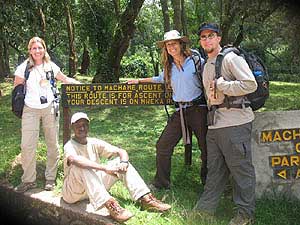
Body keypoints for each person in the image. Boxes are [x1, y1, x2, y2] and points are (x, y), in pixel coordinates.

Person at [192, 22, 257, 225]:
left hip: (235, 123)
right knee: (215, 170)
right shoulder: (206, 63)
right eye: (203, 37)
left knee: (241, 170)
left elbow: (250, 84)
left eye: (211, 35)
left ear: (219, 38)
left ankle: (245, 214)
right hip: (215, 125)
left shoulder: (230, 58)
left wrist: (223, 84)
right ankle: (205, 210)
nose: (207, 39)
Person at [128, 30, 208, 189]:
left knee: (206, 147)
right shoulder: (169, 66)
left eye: (174, 43)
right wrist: (139, 80)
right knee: (163, 145)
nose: (171, 47)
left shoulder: (197, 61)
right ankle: (161, 182)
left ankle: (208, 183)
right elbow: (160, 79)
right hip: (180, 111)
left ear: (180, 44)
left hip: (198, 109)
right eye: (168, 45)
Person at [62, 112, 171, 223]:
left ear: (88, 126)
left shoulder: (93, 142)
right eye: (78, 125)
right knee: (82, 166)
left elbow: (120, 151)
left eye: (84, 124)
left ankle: (146, 199)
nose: (82, 128)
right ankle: (111, 206)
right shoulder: (69, 146)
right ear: (72, 128)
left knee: (120, 161)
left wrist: (123, 162)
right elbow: (75, 160)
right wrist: (104, 168)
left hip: (93, 186)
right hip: (73, 192)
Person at [13, 36, 80, 193]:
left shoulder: (50, 66)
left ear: (44, 49)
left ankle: (50, 177)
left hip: (49, 108)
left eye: (40, 48)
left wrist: (79, 84)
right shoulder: (23, 68)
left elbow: (65, 79)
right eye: (34, 48)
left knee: (52, 144)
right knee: (27, 145)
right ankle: (29, 180)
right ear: (29, 50)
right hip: (30, 109)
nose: (37, 51)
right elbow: (16, 89)